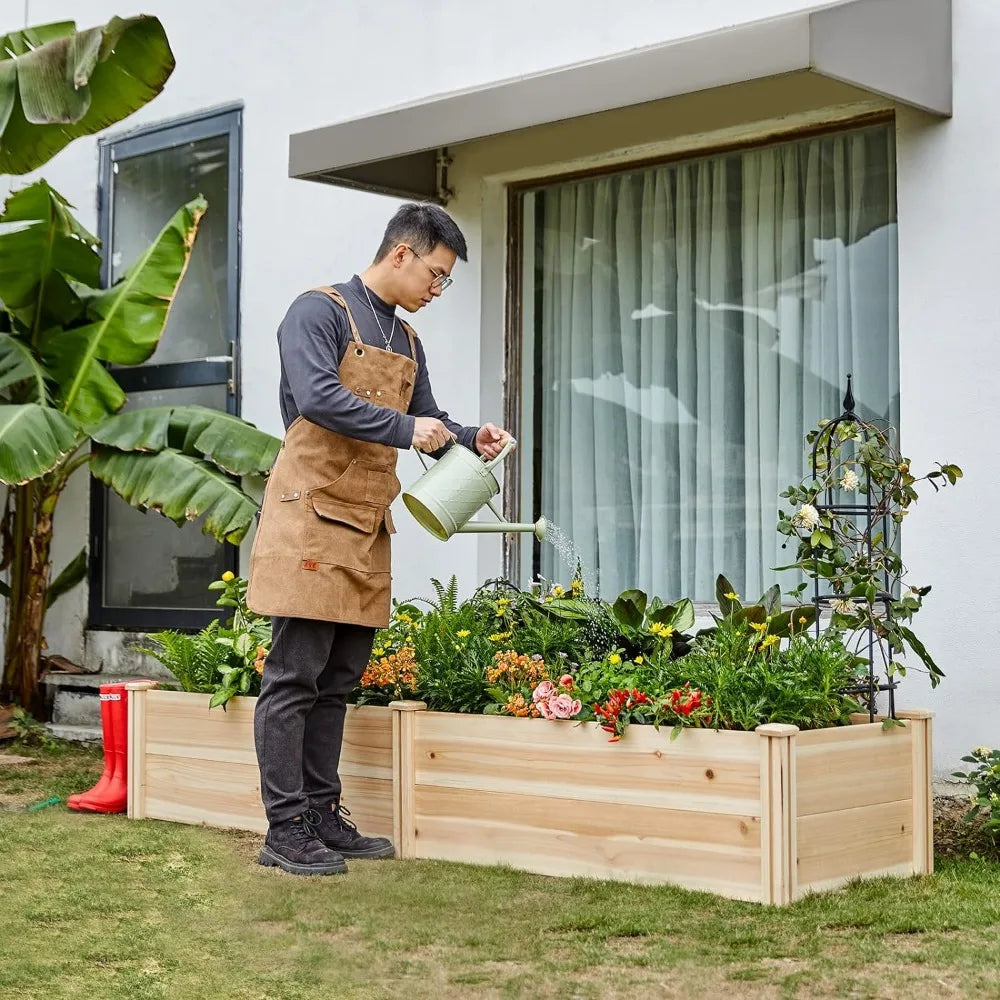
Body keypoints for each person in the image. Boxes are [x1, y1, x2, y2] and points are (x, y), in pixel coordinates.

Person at [246, 203, 511, 876]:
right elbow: (315, 397)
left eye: (445, 281)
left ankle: (322, 815)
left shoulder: (408, 343)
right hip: (310, 514)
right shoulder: (319, 310)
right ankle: (284, 829)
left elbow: (427, 420)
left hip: (367, 523)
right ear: (401, 254)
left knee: (337, 680)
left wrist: (468, 435)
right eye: (437, 275)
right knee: (293, 676)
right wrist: (407, 431)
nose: (437, 290)